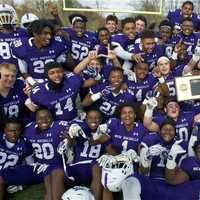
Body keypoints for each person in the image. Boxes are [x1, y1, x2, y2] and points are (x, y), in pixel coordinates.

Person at [121, 119, 188, 200]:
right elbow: (143, 172)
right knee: (129, 181)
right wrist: (146, 158)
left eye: (171, 130)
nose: (168, 132)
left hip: (171, 185)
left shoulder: (180, 144)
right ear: (159, 131)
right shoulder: (150, 140)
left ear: (175, 133)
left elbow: (181, 172)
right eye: (165, 129)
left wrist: (171, 158)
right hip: (151, 182)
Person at [26, 61, 95, 121]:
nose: (56, 75)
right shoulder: (38, 92)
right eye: (52, 73)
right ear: (46, 75)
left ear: (63, 72)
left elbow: (91, 82)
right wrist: (28, 98)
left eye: (59, 72)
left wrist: (97, 76)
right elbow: (35, 110)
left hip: (75, 118)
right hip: (54, 124)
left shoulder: (72, 80)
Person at [24, 107, 69, 200]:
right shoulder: (28, 129)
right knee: (48, 189)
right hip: (40, 166)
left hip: (58, 165)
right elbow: (27, 149)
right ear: (35, 119)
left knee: (51, 189)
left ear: (52, 117)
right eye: (40, 118)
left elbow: (74, 131)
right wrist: (32, 164)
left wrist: (68, 138)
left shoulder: (60, 126)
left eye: (47, 117)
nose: (44, 120)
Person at [63, 109, 107, 200]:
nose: (94, 121)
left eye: (97, 118)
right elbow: (72, 143)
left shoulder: (105, 134)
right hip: (76, 167)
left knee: (98, 165)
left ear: (101, 120)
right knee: (57, 171)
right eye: (90, 118)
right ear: (85, 119)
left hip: (93, 169)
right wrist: (70, 135)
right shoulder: (80, 130)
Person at [11, 19, 69, 83]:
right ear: (35, 33)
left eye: (50, 33)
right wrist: (33, 83)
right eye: (45, 33)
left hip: (53, 81)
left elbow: (60, 67)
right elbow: (24, 72)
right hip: (33, 81)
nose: (49, 37)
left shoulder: (57, 44)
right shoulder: (22, 47)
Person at [0, 118, 35, 200]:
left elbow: (31, 167)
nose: (13, 134)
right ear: (4, 130)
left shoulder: (25, 144)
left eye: (17, 130)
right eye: (10, 131)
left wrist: (22, 184)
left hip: (8, 177)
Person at [0, 4, 28, 77]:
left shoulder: (23, 32)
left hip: (21, 74)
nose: (5, 18)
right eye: (2, 16)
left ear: (13, 15)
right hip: (2, 76)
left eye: (7, 15)